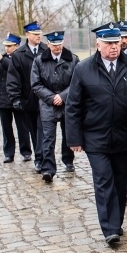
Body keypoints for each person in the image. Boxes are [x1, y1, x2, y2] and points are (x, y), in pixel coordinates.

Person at [65, 23, 127, 245]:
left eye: (116, 43)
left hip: (125, 138)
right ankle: (109, 229)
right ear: (97, 44)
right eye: (108, 43)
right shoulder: (83, 69)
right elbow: (73, 106)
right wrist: (74, 138)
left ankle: (116, 223)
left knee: (121, 182)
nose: (113, 47)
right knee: (103, 180)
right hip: (95, 138)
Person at [31, 30, 79, 183]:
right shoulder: (39, 61)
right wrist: (52, 98)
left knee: (68, 134)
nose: (57, 47)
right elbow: (36, 84)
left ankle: (68, 160)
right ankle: (48, 169)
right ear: (48, 44)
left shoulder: (73, 59)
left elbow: (77, 82)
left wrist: (63, 96)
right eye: (54, 45)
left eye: (59, 44)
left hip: (67, 103)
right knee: (48, 138)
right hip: (47, 104)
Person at [0, 33, 31, 163]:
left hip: (18, 97)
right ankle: (9, 153)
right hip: (3, 98)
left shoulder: (21, 58)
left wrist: (1, 59)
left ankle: (26, 152)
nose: (7, 48)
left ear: (17, 46)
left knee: (23, 127)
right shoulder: (0, 59)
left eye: (9, 46)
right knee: (6, 128)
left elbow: (14, 69)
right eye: (6, 46)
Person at [7, 21, 46, 173]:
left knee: (45, 131)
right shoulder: (19, 54)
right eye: (35, 34)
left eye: (40, 34)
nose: (38, 37)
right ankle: (39, 158)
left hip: (45, 98)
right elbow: (13, 79)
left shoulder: (45, 50)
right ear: (27, 35)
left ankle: (43, 159)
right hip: (28, 100)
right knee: (34, 131)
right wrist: (16, 98)